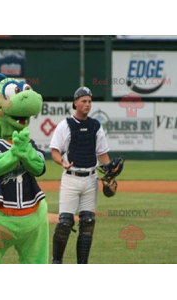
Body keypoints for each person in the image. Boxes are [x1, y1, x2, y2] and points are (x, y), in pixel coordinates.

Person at [49, 86, 110, 264]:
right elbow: (54, 151)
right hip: (71, 178)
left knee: (88, 222)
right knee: (65, 222)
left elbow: (103, 155)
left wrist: (110, 173)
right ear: (75, 103)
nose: (87, 104)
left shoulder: (95, 126)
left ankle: (82, 264)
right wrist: (61, 161)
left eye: (89, 101)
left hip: (91, 180)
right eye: (83, 101)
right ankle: (57, 261)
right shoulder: (65, 125)